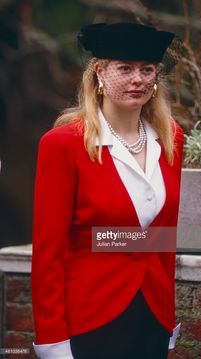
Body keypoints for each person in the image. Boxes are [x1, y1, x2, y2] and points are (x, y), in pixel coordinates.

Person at [31, 22, 184, 359]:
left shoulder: (171, 139)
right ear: (99, 72)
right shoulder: (62, 145)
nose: (138, 79)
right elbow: (48, 253)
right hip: (91, 317)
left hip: (153, 316)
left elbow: (162, 238)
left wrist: (168, 318)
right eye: (125, 68)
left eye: (147, 69)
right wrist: (53, 340)